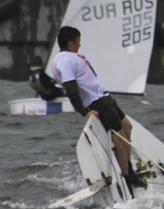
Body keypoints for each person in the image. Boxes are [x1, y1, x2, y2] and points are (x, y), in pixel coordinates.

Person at [49, 26, 146, 191]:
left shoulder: (71, 56)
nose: (80, 44)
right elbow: (71, 89)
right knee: (120, 140)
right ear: (71, 43)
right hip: (97, 103)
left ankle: (127, 167)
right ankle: (127, 177)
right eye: (78, 41)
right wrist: (85, 112)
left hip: (104, 97)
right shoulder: (64, 61)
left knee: (127, 127)